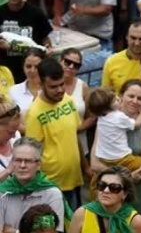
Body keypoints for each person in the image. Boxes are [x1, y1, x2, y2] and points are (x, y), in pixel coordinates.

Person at [90, 80, 141, 218]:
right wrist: (124, 178)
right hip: (111, 188)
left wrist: (124, 178)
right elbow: (94, 164)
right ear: (120, 96)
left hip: (140, 189)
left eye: (140, 98)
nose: (135, 101)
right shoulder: (104, 121)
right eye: (131, 96)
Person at [25, 58, 87, 208]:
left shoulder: (67, 100)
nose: (60, 90)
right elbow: (32, 154)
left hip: (73, 179)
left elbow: (74, 135)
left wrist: (86, 167)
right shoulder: (34, 113)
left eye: (62, 84)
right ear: (41, 84)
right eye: (53, 87)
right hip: (50, 186)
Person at [0, 138, 66, 233]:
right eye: (18, 160)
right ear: (12, 163)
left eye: (28, 161)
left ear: (38, 165)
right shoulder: (3, 191)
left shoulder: (52, 193)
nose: (22, 165)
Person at [0, 0, 51, 82]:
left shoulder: (36, 13)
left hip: (31, 73)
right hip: (5, 73)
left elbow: (46, 41)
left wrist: (48, 50)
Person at [60, 48, 93, 156]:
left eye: (76, 65)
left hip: (80, 145)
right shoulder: (49, 86)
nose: (71, 67)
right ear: (60, 61)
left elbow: (91, 116)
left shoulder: (83, 86)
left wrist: (77, 129)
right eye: (67, 62)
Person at [8, 47, 44, 131]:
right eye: (28, 66)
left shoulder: (51, 89)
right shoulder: (14, 91)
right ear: (23, 67)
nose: (32, 70)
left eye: (37, 67)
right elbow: (10, 120)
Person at [0, 95, 20, 180]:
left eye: (16, 130)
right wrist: (8, 170)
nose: (14, 135)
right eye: (10, 132)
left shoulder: (16, 136)